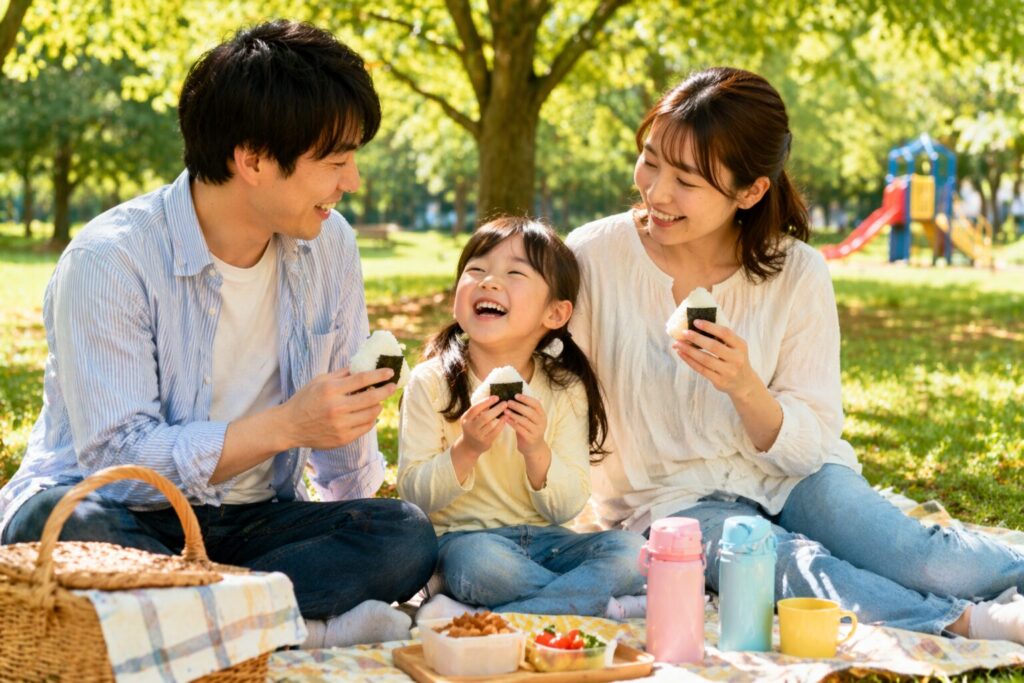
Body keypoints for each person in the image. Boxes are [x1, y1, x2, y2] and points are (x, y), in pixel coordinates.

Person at [0, 20, 437, 648]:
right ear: (252, 158)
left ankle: (186, 621)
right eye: (337, 161)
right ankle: (292, 622)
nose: (352, 182)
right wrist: (288, 425)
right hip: (120, 514)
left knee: (403, 537)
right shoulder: (110, 260)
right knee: (60, 528)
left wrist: (364, 510)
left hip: (253, 520)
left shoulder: (328, 244)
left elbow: (340, 431)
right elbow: (120, 465)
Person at [566, 66, 1024, 643]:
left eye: (685, 179)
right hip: (668, 500)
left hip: (795, 476)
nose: (656, 191)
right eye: (651, 160)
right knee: (786, 563)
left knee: (923, 557)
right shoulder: (592, 259)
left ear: (751, 190)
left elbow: (812, 438)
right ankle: (967, 621)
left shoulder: (797, 271)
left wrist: (744, 387)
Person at [398, 217, 646, 621]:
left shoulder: (564, 388)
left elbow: (566, 508)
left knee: (634, 554)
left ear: (555, 313)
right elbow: (414, 495)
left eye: (514, 273)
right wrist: (467, 449)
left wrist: (537, 451)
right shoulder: (432, 382)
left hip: (548, 542)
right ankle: (597, 604)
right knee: (483, 566)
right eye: (475, 270)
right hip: (464, 542)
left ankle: (493, 611)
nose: (489, 282)